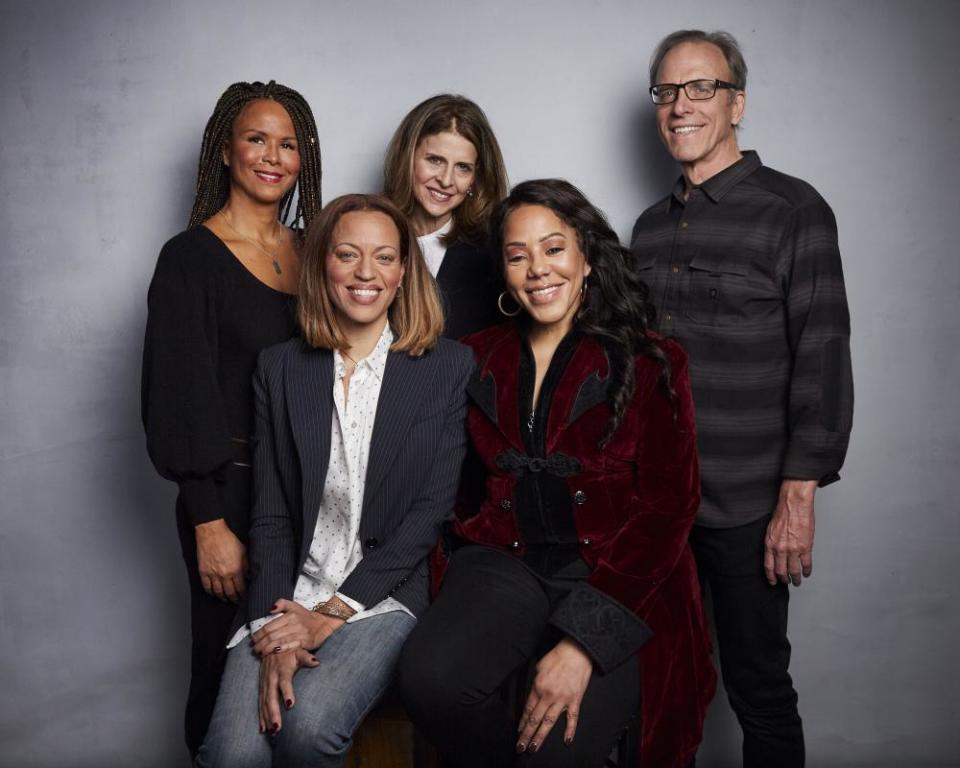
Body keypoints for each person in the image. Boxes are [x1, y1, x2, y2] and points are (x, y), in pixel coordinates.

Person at [400, 179, 716, 768]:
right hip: (506, 564)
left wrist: (584, 643)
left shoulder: (652, 361)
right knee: (428, 681)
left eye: (553, 249)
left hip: (614, 573)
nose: (537, 269)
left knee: (553, 755)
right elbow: (453, 483)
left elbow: (670, 509)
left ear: (587, 257)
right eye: (518, 255)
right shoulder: (477, 356)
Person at [631, 30, 854, 767]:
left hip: (748, 504)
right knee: (660, 685)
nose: (680, 105)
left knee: (757, 687)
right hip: (660, 504)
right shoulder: (649, 228)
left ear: (738, 104)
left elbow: (821, 358)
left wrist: (797, 497)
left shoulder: (793, 210)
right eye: (667, 91)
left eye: (700, 88)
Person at [196, 194, 474, 767]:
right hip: (288, 587)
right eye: (348, 255)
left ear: (403, 272)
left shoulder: (447, 367)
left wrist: (332, 613)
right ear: (324, 265)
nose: (365, 273)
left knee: (307, 731)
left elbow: (427, 515)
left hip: (382, 591)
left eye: (383, 257)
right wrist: (278, 625)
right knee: (229, 756)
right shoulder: (280, 367)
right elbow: (270, 515)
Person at [141, 80, 322, 757]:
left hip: (310, 490)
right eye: (256, 139)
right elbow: (176, 395)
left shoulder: (315, 249)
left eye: (288, 143)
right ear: (224, 150)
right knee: (224, 669)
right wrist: (208, 519)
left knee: (302, 666)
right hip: (231, 495)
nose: (272, 156)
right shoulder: (190, 259)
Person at [384, 93, 508, 339]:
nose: (446, 180)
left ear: (476, 178)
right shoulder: (369, 236)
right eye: (435, 160)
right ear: (407, 159)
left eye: (463, 167)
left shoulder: (491, 255)